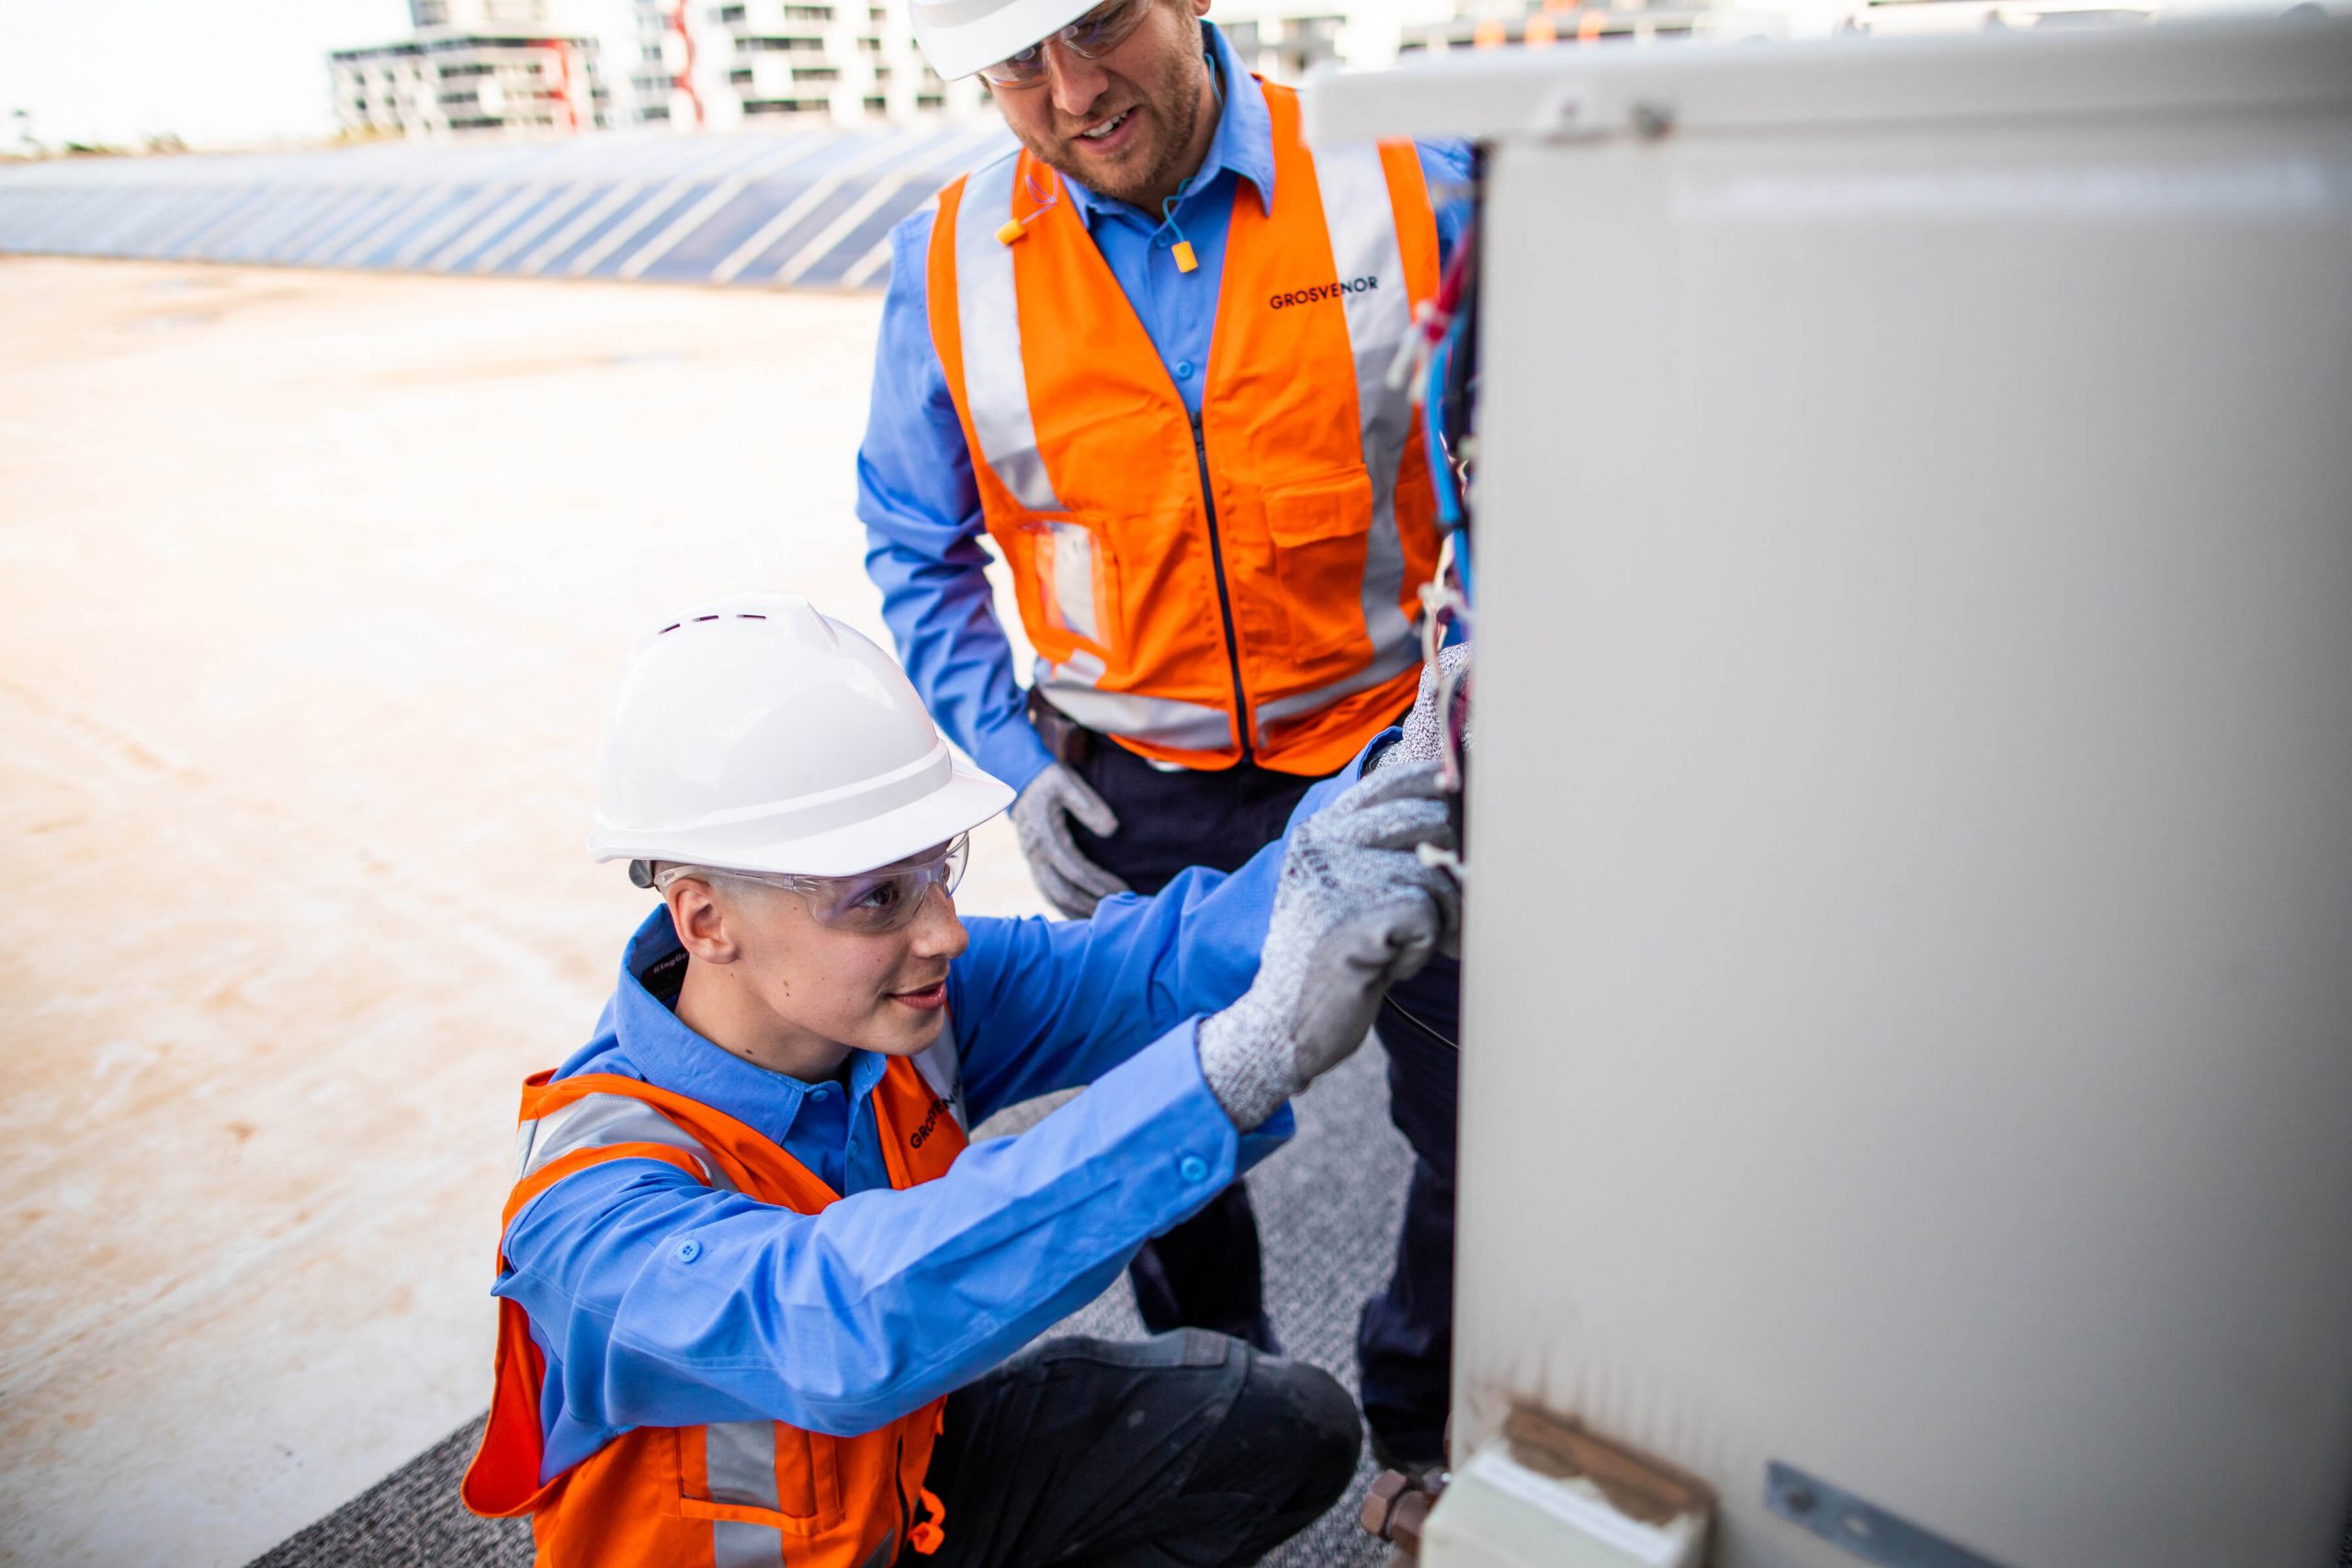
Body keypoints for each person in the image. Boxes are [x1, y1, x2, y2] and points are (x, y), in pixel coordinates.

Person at [459, 593, 1460, 1567]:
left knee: (1274, 1427)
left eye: (940, 868)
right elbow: (841, 1321)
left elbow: (1158, 960)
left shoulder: (892, 1007)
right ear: (704, 919)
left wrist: (1386, 786)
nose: (942, 931)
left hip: (898, 1499)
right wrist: (1230, 1069)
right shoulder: (588, 1213)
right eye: (876, 898)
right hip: (843, 1491)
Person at [856, 0, 1471, 1422]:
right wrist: (1013, 763)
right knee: (1166, 1141)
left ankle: (1424, 1410)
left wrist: (1471, 708)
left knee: (1474, 1119)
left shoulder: (1406, 180)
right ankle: (1226, 1414)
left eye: (1101, 22)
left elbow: (1541, 449)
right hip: (1139, 795)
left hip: (1401, 764)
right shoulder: (947, 262)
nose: (1074, 91)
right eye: (1019, 60)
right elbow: (913, 542)